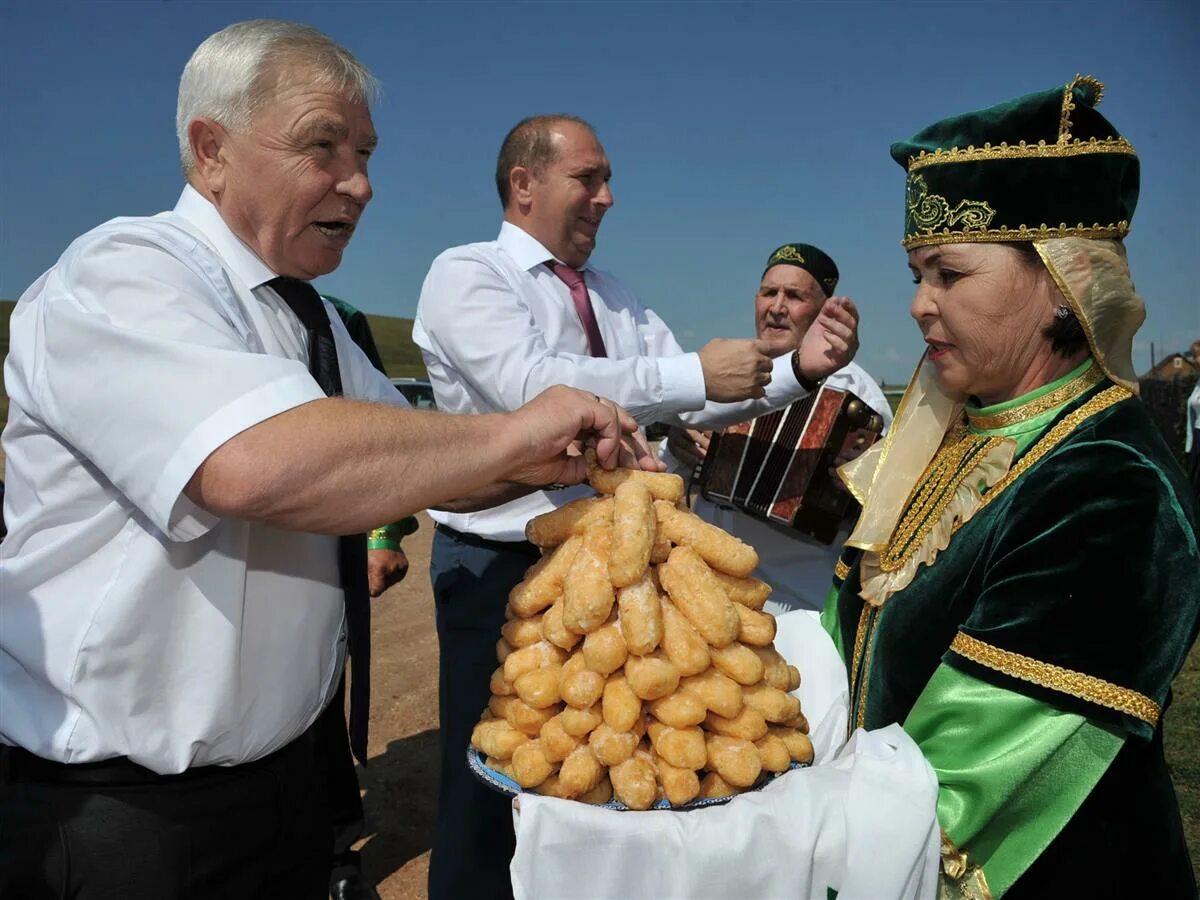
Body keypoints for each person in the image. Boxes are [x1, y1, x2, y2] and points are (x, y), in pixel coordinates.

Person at [0, 22, 657, 900]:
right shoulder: (125, 274)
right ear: (211, 150)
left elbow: (404, 458)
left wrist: (554, 461)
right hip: (132, 821)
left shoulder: (307, 322)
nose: (361, 183)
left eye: (367, 153)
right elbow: (251, 464)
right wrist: (516, 429)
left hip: (283, 794)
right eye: (324, 147)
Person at [412, 114, 862, 900]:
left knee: (612, 781)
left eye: (607, 179)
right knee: (498, 786)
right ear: (525, 184)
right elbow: (537, 389)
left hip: (626, 571)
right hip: (507, 569)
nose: (607, 198)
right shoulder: (469, 275)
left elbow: (699, 405)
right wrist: (691, 375)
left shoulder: (615, 297)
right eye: (588, 178)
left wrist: (796, 369)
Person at [824, 76, 1199, 896]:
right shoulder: (949, 437)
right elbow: (841, 642)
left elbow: (960, 781)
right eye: (917, 274)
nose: (920, 305)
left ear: (1060, 281)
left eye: (949, 274)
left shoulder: (1112, 487)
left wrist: (747, 844)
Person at [662, 242, 893, 613]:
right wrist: (678, 445)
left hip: (797, 603)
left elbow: (886, 509)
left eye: (795, 296)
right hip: (706, 593)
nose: (777, 307)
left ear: (822, 309)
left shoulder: (856, 393)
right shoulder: (727, 369)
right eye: (769, 293)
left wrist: (856, 482)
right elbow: (668, 471)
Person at [321, 294, 417, 900]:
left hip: (321, 551)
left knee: (322, 691)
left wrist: (382, 534)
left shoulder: (334, 317)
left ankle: (334, 853)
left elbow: (387, 436)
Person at [1187, 338, 1200, 488]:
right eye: (1194, 356)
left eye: (1197, 355)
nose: (1194, 360)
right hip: (1197, 437)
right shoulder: (1197, 384)